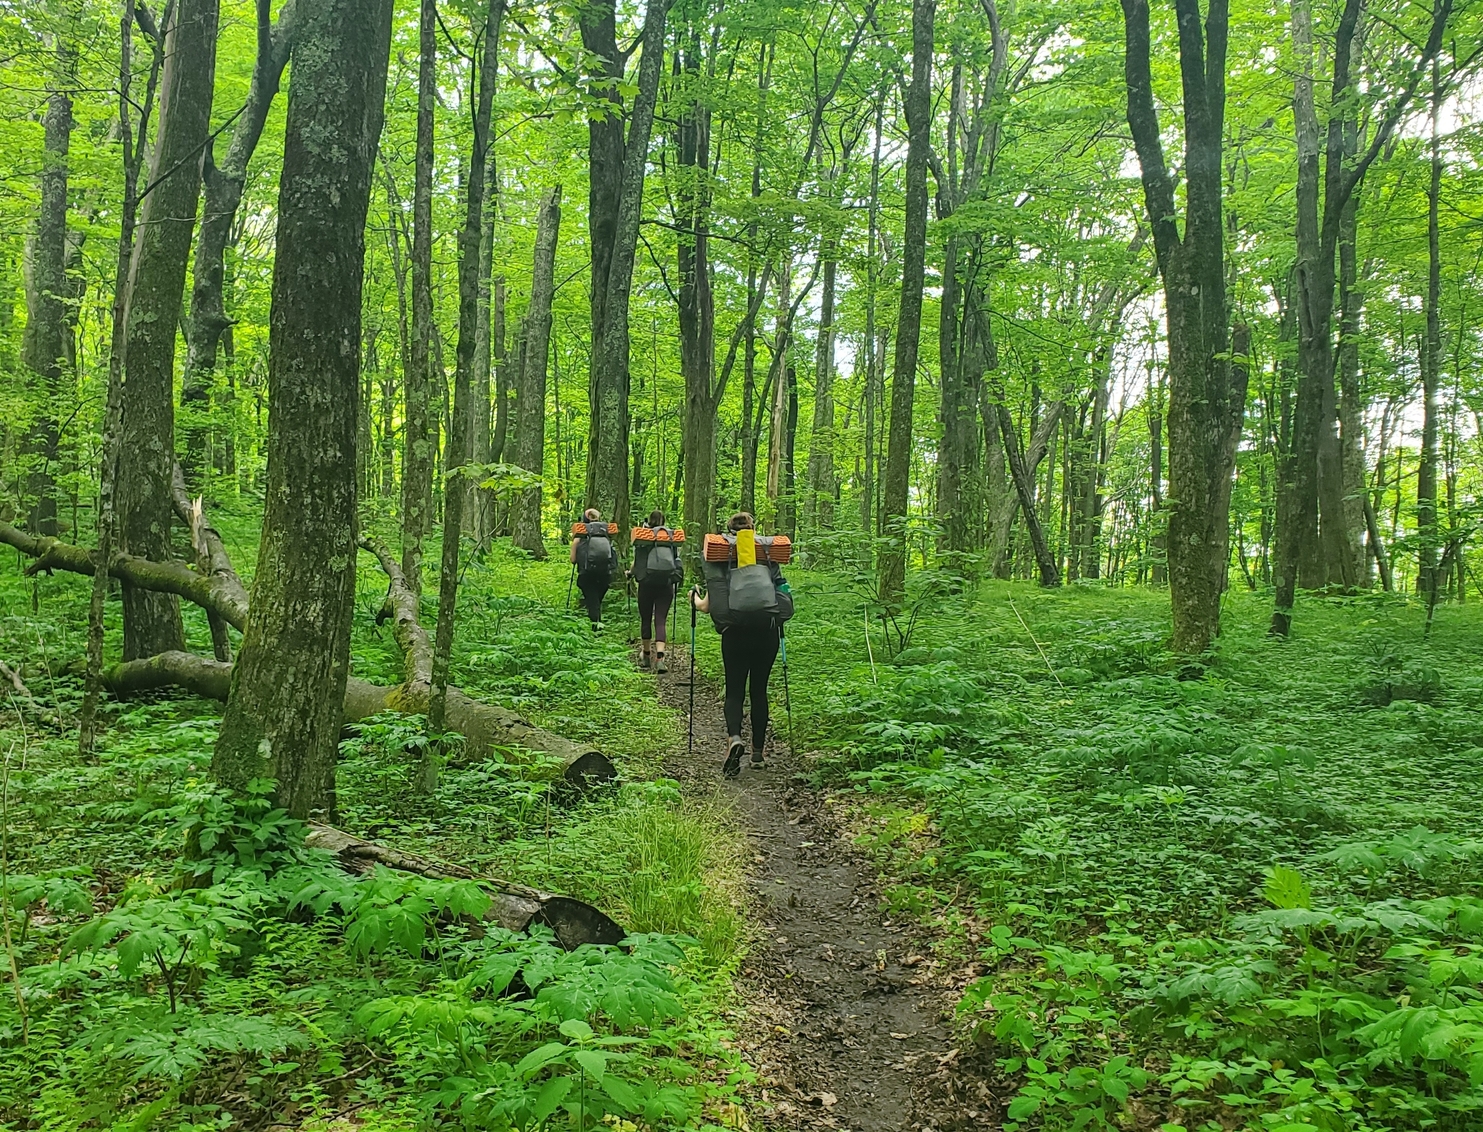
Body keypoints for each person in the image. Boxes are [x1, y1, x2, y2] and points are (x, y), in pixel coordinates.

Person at [691, 512, 793, 779]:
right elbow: (782, 591)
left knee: (735, 690)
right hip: (767, 631)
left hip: (734, 632)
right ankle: (758, 754)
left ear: (728, 532)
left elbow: (707, 607)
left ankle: (734, 738)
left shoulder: (721, 557)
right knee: (759, 691)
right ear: (753, 529)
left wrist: (694, 599)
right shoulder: (767, 554)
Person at [629, 510, 682, 672]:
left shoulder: (643, 537)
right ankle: (660, 657)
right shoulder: (669, 537)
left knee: (646, 618)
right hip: (666, 584)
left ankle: (645, 656)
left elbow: (638, 563)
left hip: (646, 583)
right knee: (660, 620)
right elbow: (676, 560)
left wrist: (630, 573)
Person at [570, 507, 616, 629]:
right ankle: (597, 622)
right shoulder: (606, 533)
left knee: (592, 601)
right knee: (596, 601)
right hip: (605, 573)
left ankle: (596, 627)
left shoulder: (580, 535)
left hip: (587, 573)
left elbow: (573, 560)